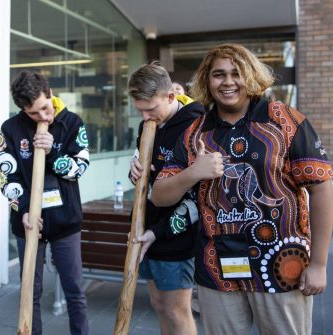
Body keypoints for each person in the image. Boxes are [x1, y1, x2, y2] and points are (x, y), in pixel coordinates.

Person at [151, 44, 333, 335]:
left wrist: (319, 264)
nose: (228, 82)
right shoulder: (195, 132)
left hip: (282, 267)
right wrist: (193, 172)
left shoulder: (286, 120)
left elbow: (322, 188)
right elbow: (159, 196)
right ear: (207, 81)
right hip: (217, 271)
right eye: (218, 74)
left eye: (236, 73)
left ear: (250, 75)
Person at [0, 70, 89, 335]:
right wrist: (24, 209)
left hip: (65, 221)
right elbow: (5, 175)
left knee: (74, 290)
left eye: (45, 109)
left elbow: (79, 167)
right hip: (28, 223)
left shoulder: (71, 122)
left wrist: (53, 152)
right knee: (30, 290)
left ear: (50, 94)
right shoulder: (10, 129)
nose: (43, 117)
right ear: (22, 109)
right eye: (34, 114)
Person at [128, 61, 205, 335]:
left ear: (171, 96)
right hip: (146, 229)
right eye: (141, 110)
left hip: (176, 236)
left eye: (151, 109)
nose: (147, 116)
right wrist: (135, 170)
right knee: (158, 304)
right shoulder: (147, 124)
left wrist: (158, 232)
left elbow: (198, 197)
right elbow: (143, 179)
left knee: (177, 310)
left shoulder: (196, 126)